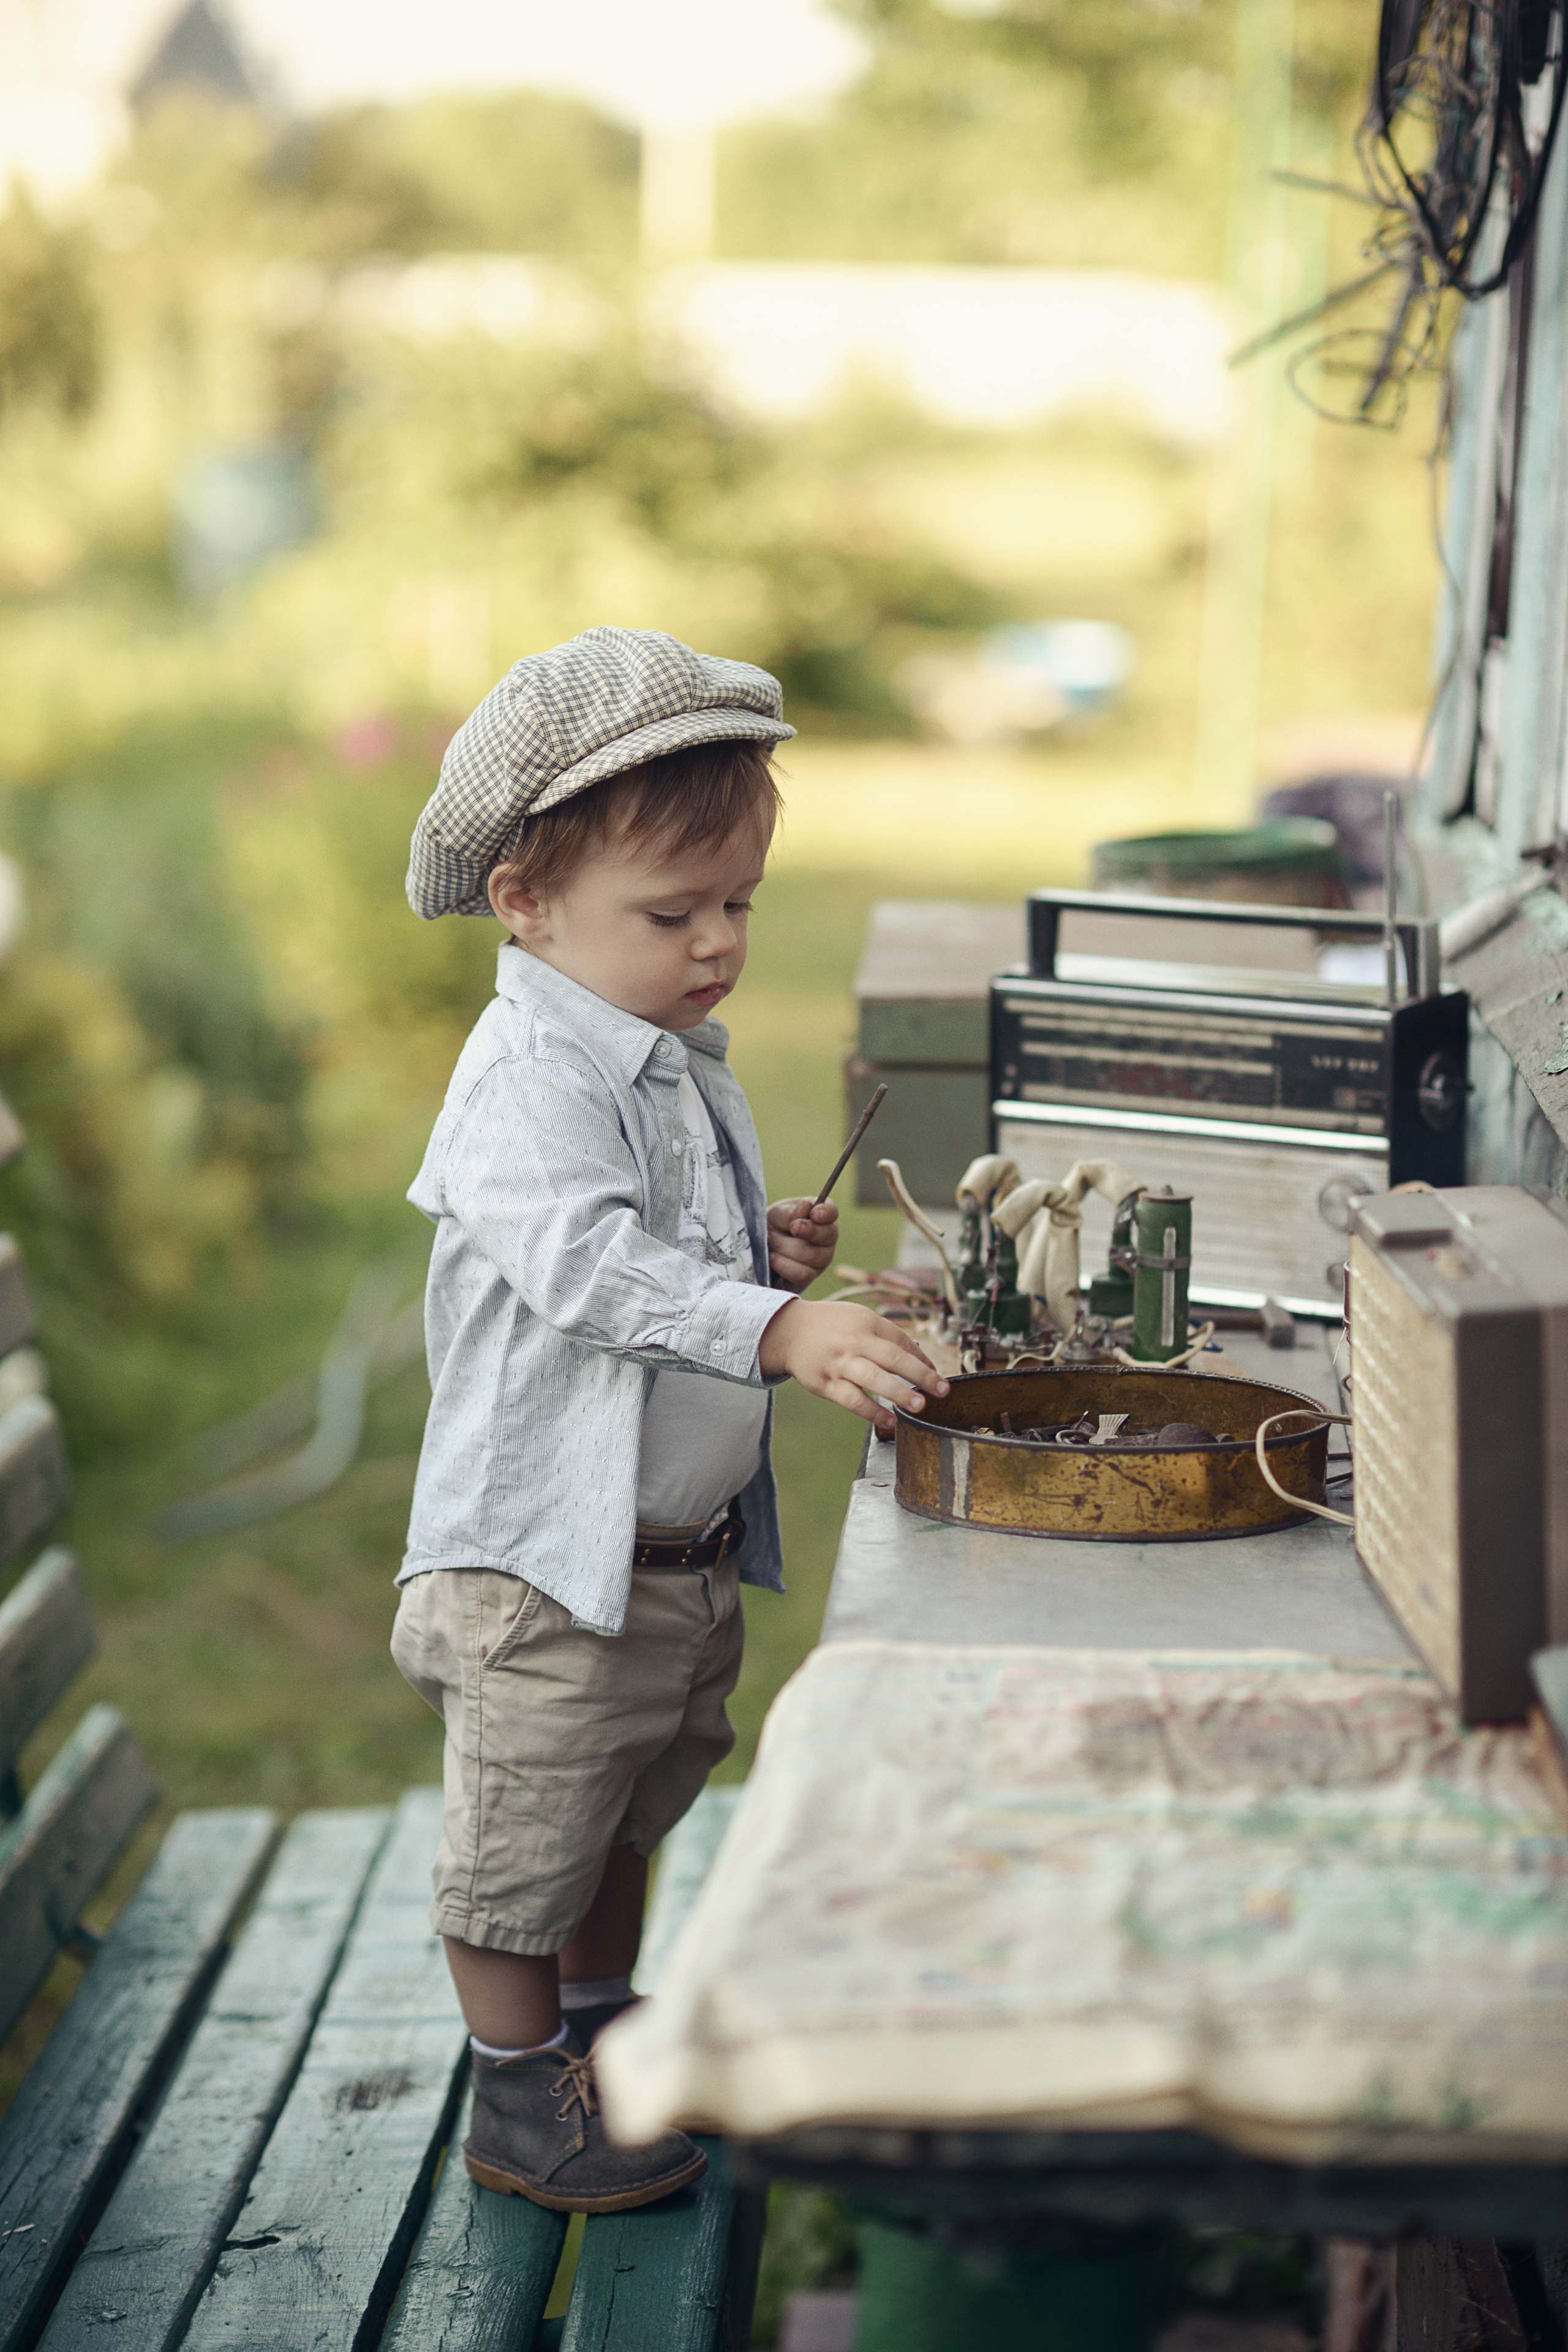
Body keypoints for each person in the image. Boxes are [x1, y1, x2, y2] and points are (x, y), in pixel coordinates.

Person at [390, 626, 949, 2214]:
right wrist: (772, 1326)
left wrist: (756, 1255)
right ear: (524, 900)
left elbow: (658, 1253)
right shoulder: (527, 1077)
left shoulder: (664, 1056)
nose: (717, 946)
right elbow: (581, 1265)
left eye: (738, 906)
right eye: (673, 912)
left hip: (668, 1563)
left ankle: (598, 2027)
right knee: (526, 1841)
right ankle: (516, 2093)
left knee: (622, 1812)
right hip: (546, 1572)